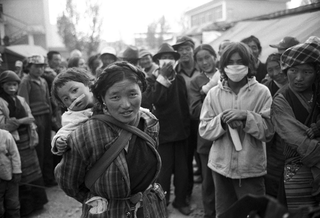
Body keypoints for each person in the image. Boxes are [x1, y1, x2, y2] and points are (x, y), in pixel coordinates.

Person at [55, 61, 167, 218]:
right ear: (102, 99)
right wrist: (102, 201)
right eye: (115, 97)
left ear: (141, 90)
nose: (126, 105)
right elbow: (68, 182)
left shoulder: (150, 121)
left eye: (133, 94)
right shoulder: (86, 133)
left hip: (150, 209)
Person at [199, 42, 274, 217]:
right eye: (230, 62)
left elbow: (268, 131)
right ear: (223, 66)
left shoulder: (262, 93)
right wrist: (222, 121)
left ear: (249, 64)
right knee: (225, 213)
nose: (235, 67)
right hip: (221, 167)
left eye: (240, 61)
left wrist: (246, 116)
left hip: (250, 168)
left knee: (254, 213)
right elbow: (204, 129)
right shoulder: (214, 94)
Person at [271, 36, 320, 213]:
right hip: (298, 169)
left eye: (307, 72)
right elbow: (298, 139)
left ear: (316, 73)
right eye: (293, 70)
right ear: (286, 71)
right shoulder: (281, 100)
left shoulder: (317, 93)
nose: (299, 78)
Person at [142, 43, 191, 215]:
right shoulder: (151, 80)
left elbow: (184, 106)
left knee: (182, 172)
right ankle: (162, 203)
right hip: (162, 135)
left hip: (180, 133)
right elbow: (154, 101)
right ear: (158, 61)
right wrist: (162, 79)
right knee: (163, 173)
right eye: (164, 58)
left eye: (171, 58)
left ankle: (180, 200)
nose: (168, 61)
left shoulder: (179, 79)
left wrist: (186, 130)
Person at [0, 70, 48, 216]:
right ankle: (24, 208)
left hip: (27, 139)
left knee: (34, 171)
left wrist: (20, 121)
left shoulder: (21, 99)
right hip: (13, 141)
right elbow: (4, 124)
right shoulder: (1, 102)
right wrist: (22, 121)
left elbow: (30, 117)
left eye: (14, 84)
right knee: (18, 171)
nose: (12, 87)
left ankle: (37, 203)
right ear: (2, 86)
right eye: (8, 84)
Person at [189, 44, 220, 218]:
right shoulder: (196, 82)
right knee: (208, 183)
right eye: (200, 59)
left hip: (229, 136)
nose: (204, 62)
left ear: (215, 57)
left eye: (207, 57)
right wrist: (219, 106)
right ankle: (210, 214)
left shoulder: (227, 74)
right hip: (206, 140)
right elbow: (194, 111)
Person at [18, 55, 56, 187]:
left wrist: (51, 116)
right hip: (35, 118)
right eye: (36, 66)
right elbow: (24, 102)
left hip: (45, 116)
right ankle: (40, 182)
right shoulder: (26, 81)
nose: (39, 69)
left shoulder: (43, 81)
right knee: (39, 149)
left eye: (42, 66)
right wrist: (30, 122)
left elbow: (47, 100)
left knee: (47, 148)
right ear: (29, 67)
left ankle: (49, 178)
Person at [172, 35, 202, 200]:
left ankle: (209, 191)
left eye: (187, 49)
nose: (184, 53)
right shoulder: (175, 72)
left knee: (204, 156)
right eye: (180, 50)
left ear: (193, 50)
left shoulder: (203, 68)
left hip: (204, 120)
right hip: (185, 122)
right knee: (186, 159)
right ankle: (187, 193)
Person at [51, 68, 95, 155]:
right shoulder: (72, 117)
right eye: (65, 98)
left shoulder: (105, 101)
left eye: (74, 90)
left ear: (89, 86)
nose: (72, 98)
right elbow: (64, 131)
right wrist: (59, 141)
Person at [0, 129, 21, 218]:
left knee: (12, 204)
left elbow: (14, 154)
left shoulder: (5, 135)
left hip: (9, 175)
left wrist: (17, 171)